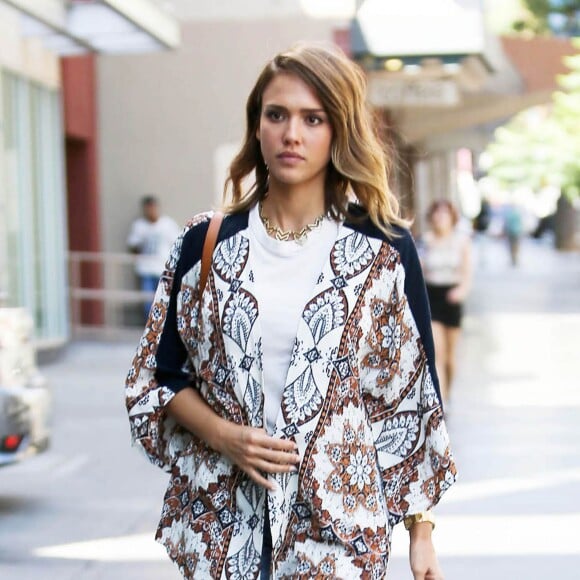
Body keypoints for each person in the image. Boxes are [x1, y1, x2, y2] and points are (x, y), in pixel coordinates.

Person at [125, 43, 456, 580]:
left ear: (338, 131)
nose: (291, 134)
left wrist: (421, 534)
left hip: (339, 532)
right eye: (275, 114)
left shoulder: (383, 249)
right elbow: (158, 378)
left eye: (313, 118)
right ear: (257, 127)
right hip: (225, 530)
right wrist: (221, 434)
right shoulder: (205, 242)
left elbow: (411, 400)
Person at [420, 200, 472, 403]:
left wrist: (461, 291)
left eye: (444, 214)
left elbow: (467, 273)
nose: (440, 218)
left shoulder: (461, 242)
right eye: (437, 213)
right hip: (431, 296)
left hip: (451, 297)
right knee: (437, 353)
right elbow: (419, 268)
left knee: (450, 357)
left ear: (452, 218)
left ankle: (448, 392)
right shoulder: (425, 241)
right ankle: (440, 397)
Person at [127, 195, 180, 319]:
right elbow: (133, 245)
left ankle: (163, 325)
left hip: (163, 268)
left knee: (165, 299)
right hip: (146, 269)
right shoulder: (139, 226)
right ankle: (149, 325)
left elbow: (178, 244)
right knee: (147, 301)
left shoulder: (167, 224)